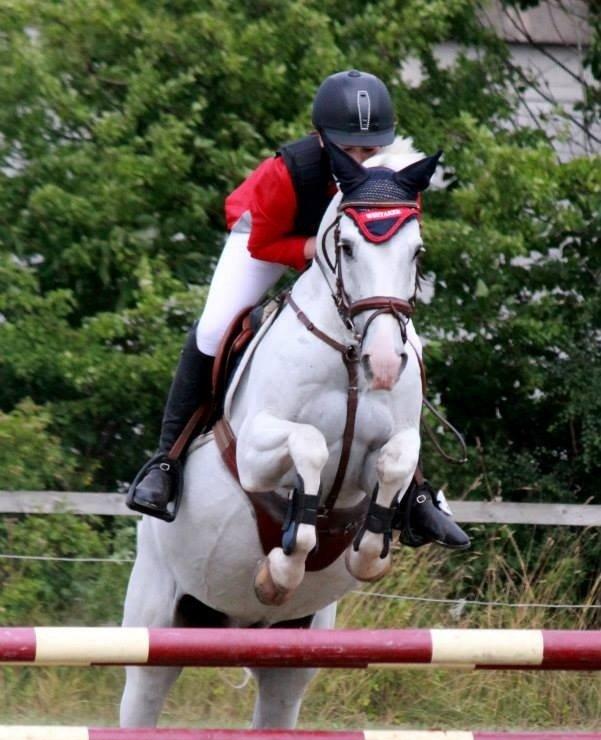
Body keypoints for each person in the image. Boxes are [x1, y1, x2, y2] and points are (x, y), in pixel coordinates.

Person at [127, 69, 469, 549]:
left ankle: (414, 492)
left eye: (369, 150)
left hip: (351, 257)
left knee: (404, 340)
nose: (361, 159)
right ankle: (167, 461)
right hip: (272, 240)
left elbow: (395, 247)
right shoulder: (289, 170)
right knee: (213, 329)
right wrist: (318, 249)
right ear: (322, 137)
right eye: (348, 149)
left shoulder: (396, 177)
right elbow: (266, 242)